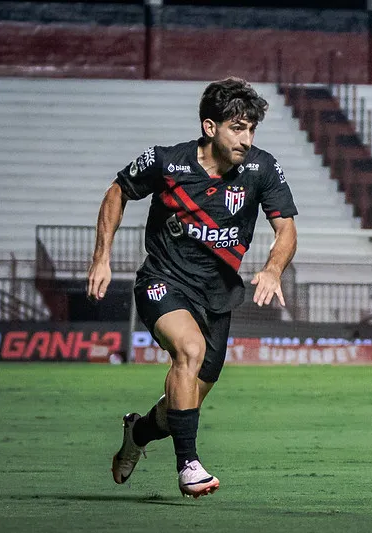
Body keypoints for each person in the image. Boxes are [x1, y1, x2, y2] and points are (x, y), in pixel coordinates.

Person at [87, 77, 298, 498]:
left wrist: (274, 268)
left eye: (251, 129)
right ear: (210, 127)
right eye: (237, 127)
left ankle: (138, 433)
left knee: (184, 402)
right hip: (162, 281)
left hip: (218, 295)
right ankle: (189, 466)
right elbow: (117, 191)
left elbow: (286, 227)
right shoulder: (166, 161)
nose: (246, 138)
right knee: (189, 350)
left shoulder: (262, 167)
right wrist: (102, 257)